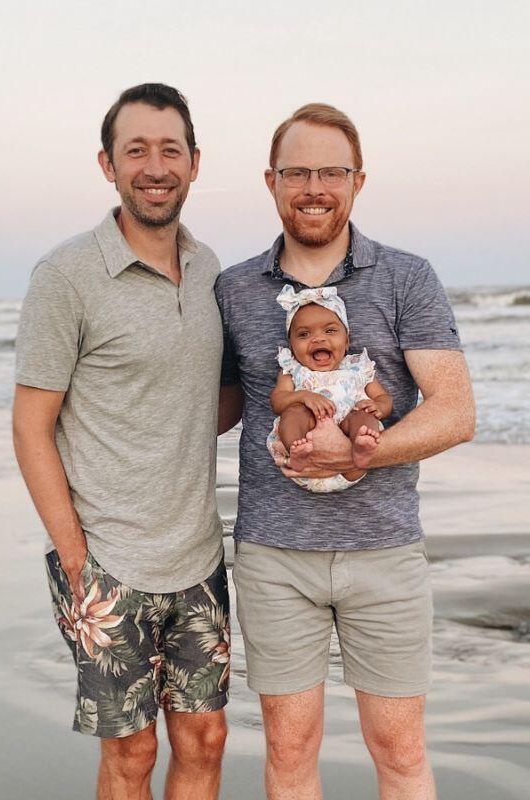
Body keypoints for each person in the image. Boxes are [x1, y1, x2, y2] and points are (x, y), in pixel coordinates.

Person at [215, 103, 475, 800]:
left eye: (331, 170)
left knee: (400, 750)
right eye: (296, 171)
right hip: (275, 557)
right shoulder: (235, 288)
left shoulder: (406, 277)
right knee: (291, 750)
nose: (313, 186)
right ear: (270, 181)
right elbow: (212, 406)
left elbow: (455, 411)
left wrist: (358, 451)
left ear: (359, 180)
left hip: (384, 552)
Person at [13, 83, 230, 800]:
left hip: (199, 559)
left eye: (171, 149)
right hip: (109, 567)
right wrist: (78, 562)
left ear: (195, 163)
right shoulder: (66, 276)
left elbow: (211, 404)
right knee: (132, 755)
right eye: (135, 150)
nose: (155, 166)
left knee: (205, 739)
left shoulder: (211, 272)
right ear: (108, 164)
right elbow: (31, 424)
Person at [268, 283, 393, 491]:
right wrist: (303, 396)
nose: (318, 338)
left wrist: (378, 406)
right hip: (302, 465)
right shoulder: (293, 369)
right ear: (291, 347)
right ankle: (297, 451)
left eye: (330, 330)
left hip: (350, 463)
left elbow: (383, 397)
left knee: (362, 417)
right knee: (294, 413)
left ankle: (361, 449)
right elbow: (278, 401)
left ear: (347, 341)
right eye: (304, 334)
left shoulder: (358, 367)